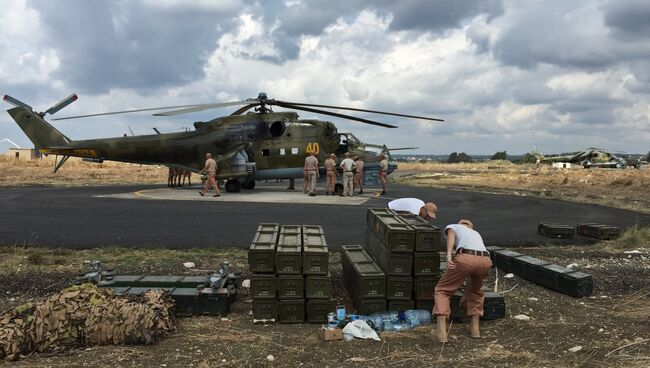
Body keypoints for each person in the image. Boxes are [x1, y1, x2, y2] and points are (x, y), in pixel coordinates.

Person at [433, 219, 492, 342]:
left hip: (466, 258)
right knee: (476, 291)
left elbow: (451, 234)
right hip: (485, 261)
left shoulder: (454, 226)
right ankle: (475, 329)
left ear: (461, 225)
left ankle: (441, 332)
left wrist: (449, 256)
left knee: (442, 290)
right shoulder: (475, 233)